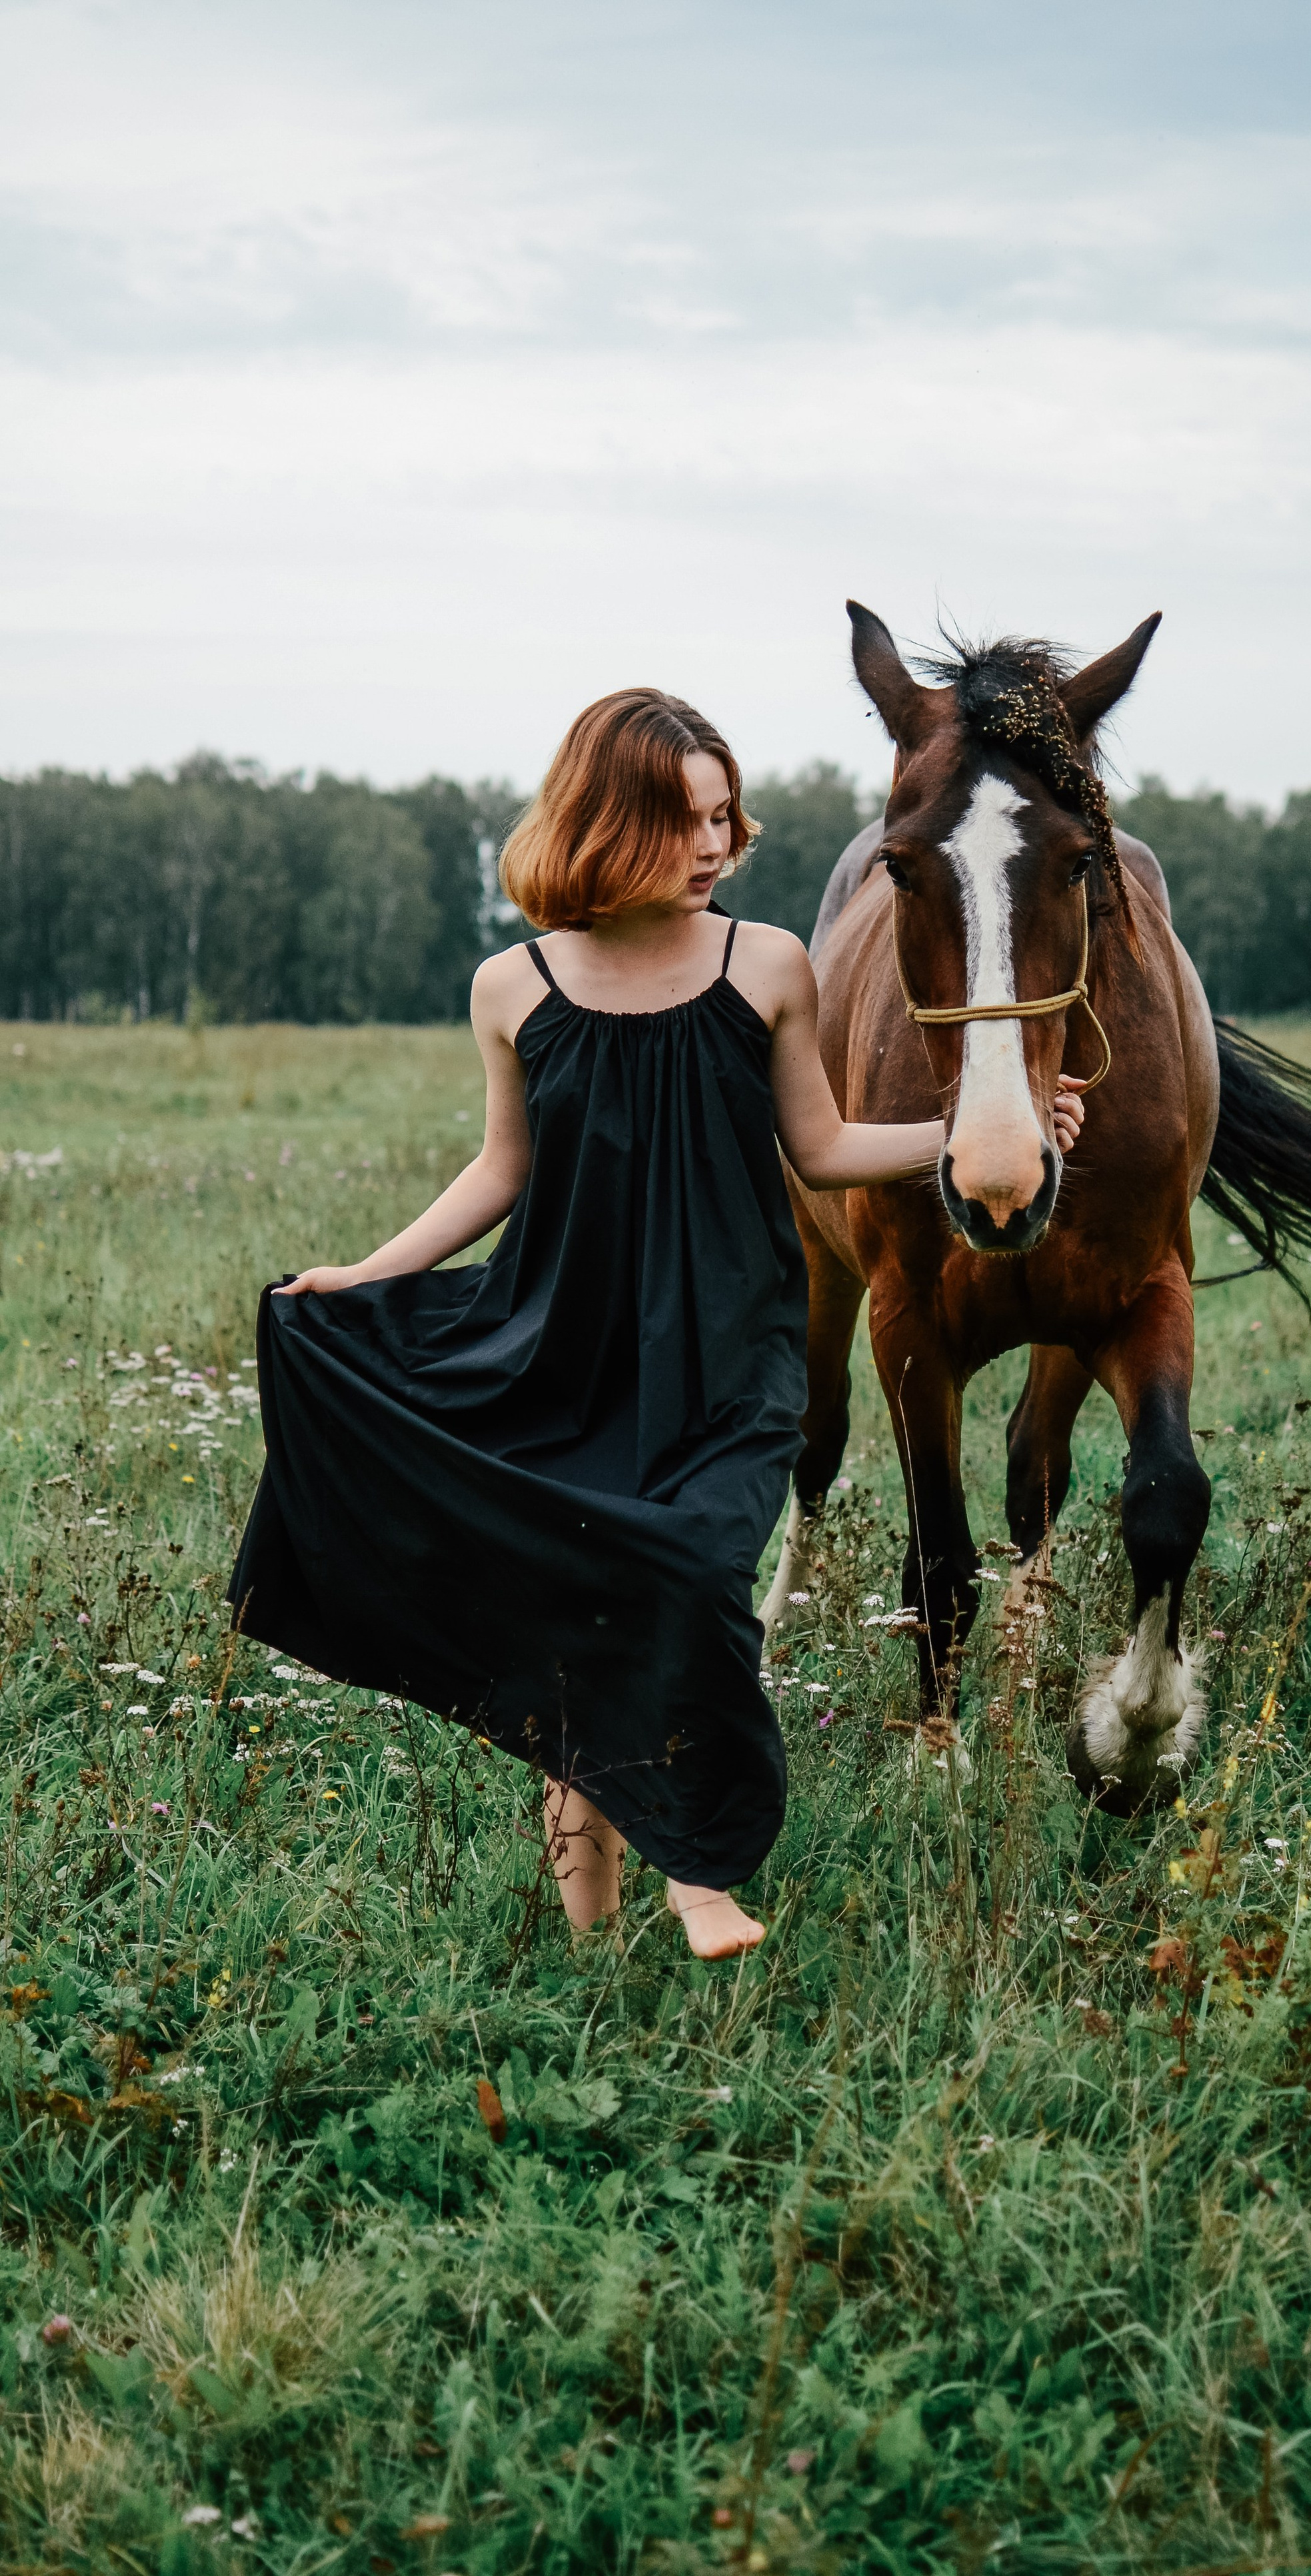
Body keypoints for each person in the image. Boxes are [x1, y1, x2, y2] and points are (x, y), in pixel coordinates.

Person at [228, 688, 1086, 1958]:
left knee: (691, 1575)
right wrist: (363, 1272)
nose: (715, 842)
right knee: (584, 1628)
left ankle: (700, 1864)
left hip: (732, 1345)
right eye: (688, 817)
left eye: (725, 815)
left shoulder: (768, 963)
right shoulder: (511, 987)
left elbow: (824, 1145)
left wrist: (966, 1136)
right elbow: (499, 1174)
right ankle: (591, 1950)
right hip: (561, 1345)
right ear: (608, 820)